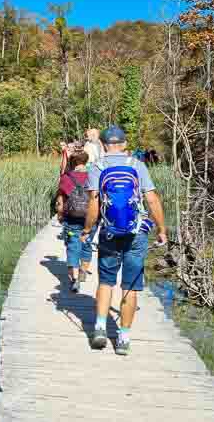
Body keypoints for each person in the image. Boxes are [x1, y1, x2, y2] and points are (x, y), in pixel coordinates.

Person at [81, 125, 168, 356]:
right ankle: (123, 339)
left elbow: (94, 205)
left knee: (106, 281)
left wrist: (88, 229)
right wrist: (161, 229)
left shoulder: (97, 166)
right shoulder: (137, 165)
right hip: (137, 233)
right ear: (124, 144)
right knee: (130, 285)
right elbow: (152, 199)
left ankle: (99, 328)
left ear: (104, 145)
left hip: (109, 232)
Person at [56, 151, 93, 292]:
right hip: (90, 217)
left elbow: (60, 200)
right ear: (86, 161)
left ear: (73, 162)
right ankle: (83, 271)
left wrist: (60, 215)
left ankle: (75, 278)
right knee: (87, 243)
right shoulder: (93, 176)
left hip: (72, 217)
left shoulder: (66, 177)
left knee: (73, 246)